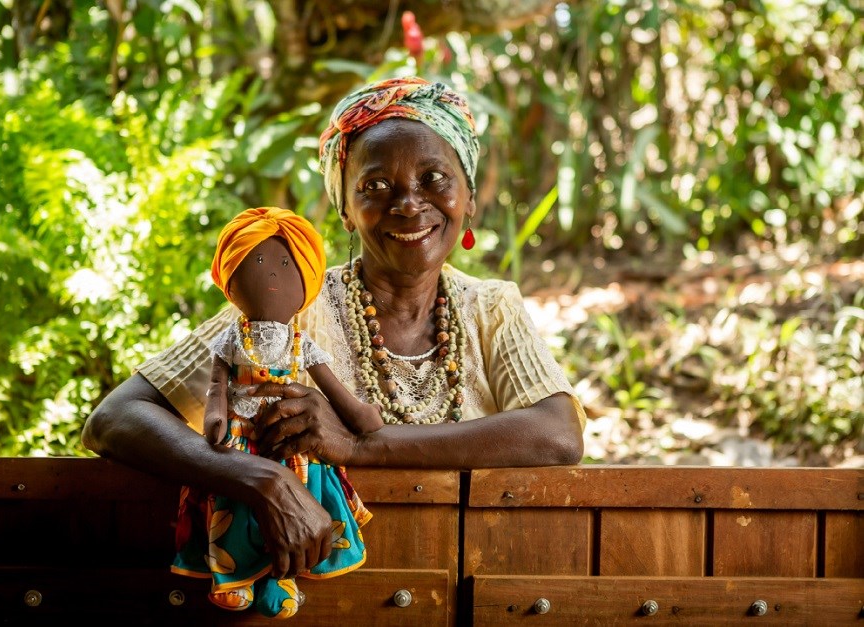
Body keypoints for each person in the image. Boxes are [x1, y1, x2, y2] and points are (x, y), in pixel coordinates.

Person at [82, 76, 585, 586]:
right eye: (375, 186)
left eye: (434, 178)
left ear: (469, 197)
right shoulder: (294, 305)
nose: (409, 204)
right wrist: (264, 480)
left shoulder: (492, 307)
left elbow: (558, 435)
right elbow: (116, 418)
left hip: (459, 579)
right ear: (345, 209)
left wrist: (361, 446)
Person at [171, 207, 380, 617]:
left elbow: (331, 386)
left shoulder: (301, 342)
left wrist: (356, 415)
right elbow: (217, 386)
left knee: (301, 500)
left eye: (285, 263)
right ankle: (234, 578)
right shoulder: (229, 336)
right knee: (234, 511)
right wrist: (215, 419)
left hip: (290, 440)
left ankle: (279, 580)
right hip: (240, 441)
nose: (270, 274)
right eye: (259, 261)